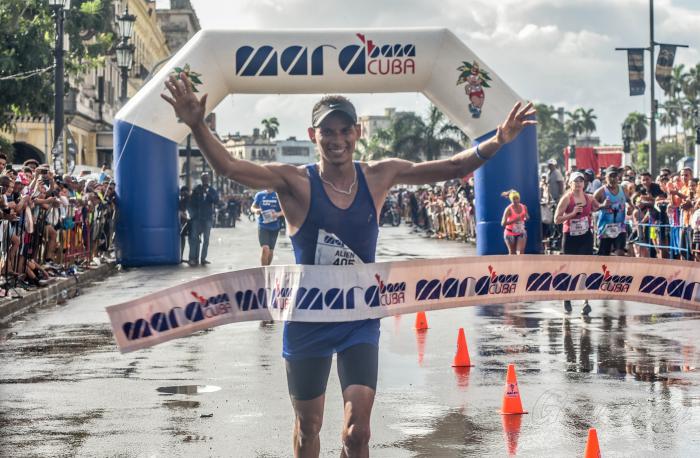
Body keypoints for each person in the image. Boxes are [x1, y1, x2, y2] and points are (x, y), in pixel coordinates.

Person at [162, 72, 535, 457]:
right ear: (312, 136)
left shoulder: (378, 175)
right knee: (309, 428)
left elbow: (451, 167)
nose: (337, 140)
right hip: (308, 319)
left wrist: (498, 140)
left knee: (358, 433)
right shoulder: (294, 182)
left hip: (359, 318)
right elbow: (230, 168)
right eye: (328, 132)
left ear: (357, 132)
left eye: (344, 130)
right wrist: (196, 124)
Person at [554, 171, 601, 314]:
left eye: (581, 181)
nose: (579, 183)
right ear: (570, 183)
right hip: (570, 237)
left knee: (585, 268)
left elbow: (598, 206)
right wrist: (572, 214)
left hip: (585, 236)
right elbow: (556, 219)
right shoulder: (567, 199)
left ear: (584, 183)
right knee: (569, 268)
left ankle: (585, 301)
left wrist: (597, 206)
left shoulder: (589, 197)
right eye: (576, 181)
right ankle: (566, 297)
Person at [594, 166, 629, 256]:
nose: (613, 179)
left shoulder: (624, 190)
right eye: (610, 176)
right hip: (605, 229)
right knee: (604, 256)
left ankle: (618, 270)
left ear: (618, 177)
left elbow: (630, 203)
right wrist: (602, 205)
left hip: (620, 228)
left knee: (620, 253)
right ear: (606, 177)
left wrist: (631, 208)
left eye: (615, 176)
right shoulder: (600, 192)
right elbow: (592, 208)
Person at [187, 172, 219, 266]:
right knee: (194, 239)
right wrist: (192, 214)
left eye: (207, 178)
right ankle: (193, 258)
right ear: (201, 179)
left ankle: (203, 259)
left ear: (209, 179)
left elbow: (216, 201)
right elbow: (190, 203)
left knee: (206, 240)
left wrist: (208, 193)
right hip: (197, 219)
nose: (205, 180)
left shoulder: (212, 191)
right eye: (204, 178)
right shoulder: (196, 190)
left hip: (207, 219)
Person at [251, 188, 283, 266]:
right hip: (263, 225)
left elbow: (285, 211)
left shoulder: (278, 195)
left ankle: (267, 269)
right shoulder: (259, 195)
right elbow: (252, 207)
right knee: (265, 249)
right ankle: (263, 271)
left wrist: (277, 214)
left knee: (271, 251)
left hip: (275, 226)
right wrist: (256, 210)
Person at [501, 190, 528, 255]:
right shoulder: (508, 209)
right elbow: (503, 223)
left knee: (520, 252)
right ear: (511, 200)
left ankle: (521, 265)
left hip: (521, 232)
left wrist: (525, 218)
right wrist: (515, 220)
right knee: (512, 253)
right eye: (513, 199)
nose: (516, 200)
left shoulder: (523, 207)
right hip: (510, 233)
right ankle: (512, 265)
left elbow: (527, 217)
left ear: (519, 198)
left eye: (517, 198)